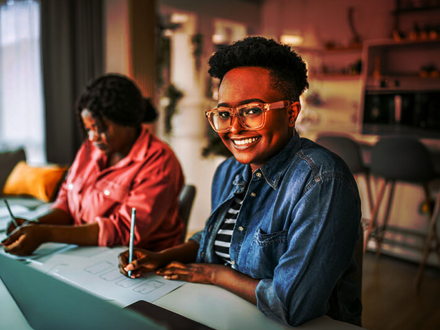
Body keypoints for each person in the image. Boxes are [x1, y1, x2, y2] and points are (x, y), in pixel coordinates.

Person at [118, 37, 362, 327]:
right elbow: (215, 238)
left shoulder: (321, 180)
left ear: (291, 113)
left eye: (252, 110)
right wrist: (161, 257)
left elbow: (291, 303)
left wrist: (211, 274)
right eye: (225, 113)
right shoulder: (228, 171)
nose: (234, 128)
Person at [2, 74, 184, 255]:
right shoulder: (91, 149)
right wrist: (36, 224)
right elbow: (66, 202)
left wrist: (46, 234)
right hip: (88, 254)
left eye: (101, 129)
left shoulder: (159, 161)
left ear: (127, 121)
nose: (92, 138)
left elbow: (124, 230)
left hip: (139, 264)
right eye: (89, 129)